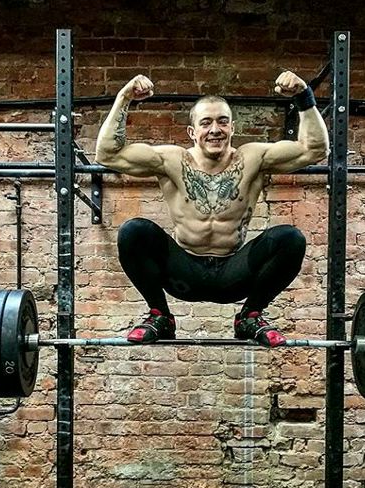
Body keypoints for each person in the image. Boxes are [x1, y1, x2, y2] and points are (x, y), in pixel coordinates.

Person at [95, 71, 329, 347]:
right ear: (192, 132)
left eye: (222, 121)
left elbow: (315, 150)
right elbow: (107, 154)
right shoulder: (172, 160)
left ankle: (250, 315)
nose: (215, 129)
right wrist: (124, 97)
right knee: (134, 231)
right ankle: (160, 316)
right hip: (183, 273)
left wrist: (303, 95)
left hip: (235, 274)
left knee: (290, 238)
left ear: (232, 128)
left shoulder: (253, 157)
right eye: (206, 123)